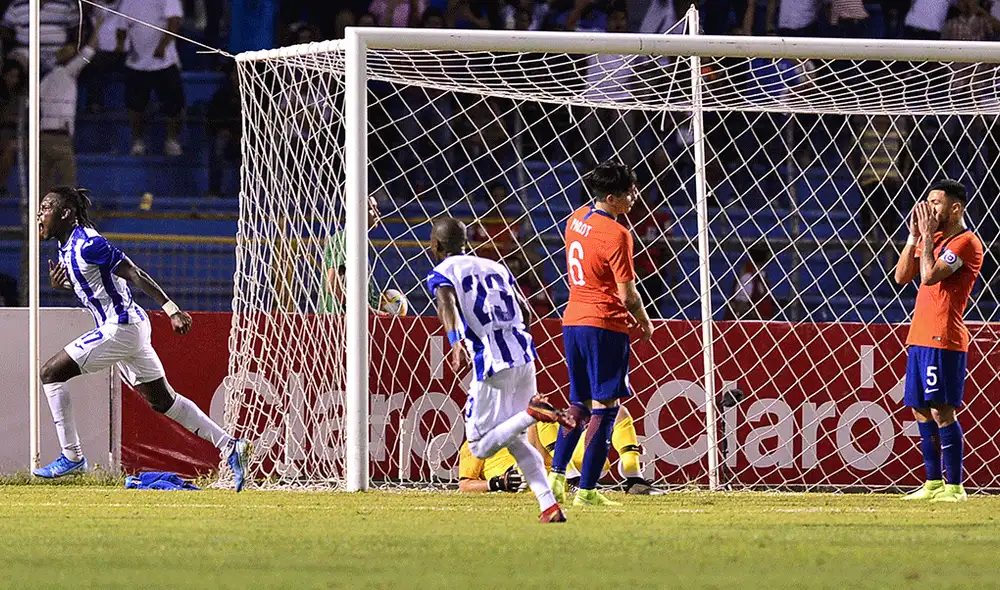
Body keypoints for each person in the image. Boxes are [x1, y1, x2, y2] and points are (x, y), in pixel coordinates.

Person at [35, 186, 252, 489]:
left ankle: (72, 456)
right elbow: (100, 287)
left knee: (50, 372)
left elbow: (133, 272)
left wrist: (172, 308)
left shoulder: (89, 243)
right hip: (129, 328)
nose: (39, 214)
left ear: (66, 213)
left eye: (46, 207)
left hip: (121, 328)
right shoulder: (67, 246)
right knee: (165, 401)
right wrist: (66, 286)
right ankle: (230, 445)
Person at [427, 216, 575, 523]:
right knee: (516, 440)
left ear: (437, 245)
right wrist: (521, 344)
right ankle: (548, 505)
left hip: (493, 362)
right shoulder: (497, 267)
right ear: (466, 243)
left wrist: (455, 341)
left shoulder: (443, 271)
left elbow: (447, 301)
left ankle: (532, 412)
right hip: (523, 355)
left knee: (480, 446)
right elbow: (525, 309)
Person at [550, 160, 654, 506]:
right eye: (629, 193)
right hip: (604, 324)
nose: (634, 197)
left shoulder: (576, 218)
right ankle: (588, 491)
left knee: (577, 403)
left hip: (573, 320)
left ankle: (557, 476)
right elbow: (628, 294)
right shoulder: (618, 234)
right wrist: (644, 321)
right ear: (611, 197)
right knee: (605, 407)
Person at [894, 179, 983, 503]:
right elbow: (902, 276)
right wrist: (914, 237)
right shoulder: (935, 239)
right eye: (928, 201)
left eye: (936, 202)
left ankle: (955, 487)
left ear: (955, 207)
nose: (929, 208)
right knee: (919, 408)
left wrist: (928, 239)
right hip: (919, 335)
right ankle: (932, 483)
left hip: (944, 337)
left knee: (943, 411)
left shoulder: (965, 243)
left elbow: (930, 276)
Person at [458, 406, 664, 495]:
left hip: (562, 462)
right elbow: (465, 485)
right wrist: (496, 483)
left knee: (617, 412)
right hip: (523, 475)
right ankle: (572, 477)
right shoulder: (474, 444)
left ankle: (633, 478)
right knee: (538, 413)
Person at [39, 15, 105, 190]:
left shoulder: (45, 80)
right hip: (60, 138)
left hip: (42, 137)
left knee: (43, 188)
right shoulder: (67, 72)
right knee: (69, 186)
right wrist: (98, 26)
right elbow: (90, 50)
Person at [117, 0, 186, 157]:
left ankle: (172, 140)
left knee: (174, 105)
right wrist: (120, 44)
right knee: (134, 106)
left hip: (165, 61)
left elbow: (174, 22)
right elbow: (121, 26)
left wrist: (162, 46)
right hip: (136, 63)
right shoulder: (128, 2)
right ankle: (137, 141)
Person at [319, 197, 384, 314]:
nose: (378, 212)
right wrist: (367, 311)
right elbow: (332, 285)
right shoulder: (346, 239)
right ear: (357, 212)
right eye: (372, 208)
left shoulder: (358, 240)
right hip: (338, 321)